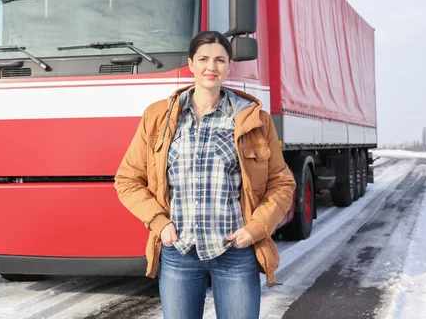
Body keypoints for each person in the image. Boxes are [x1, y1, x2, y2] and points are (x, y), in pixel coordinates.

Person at [114, 30, 296, 319]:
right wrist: (160, 223)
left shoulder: (254, 119)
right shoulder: (159, 116)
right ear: (191, 64)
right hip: (179, 254)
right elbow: (127, 180)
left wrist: (256, 229)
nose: (211, 67)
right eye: (204, 59)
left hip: (235, 252)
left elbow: (281, 182)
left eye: (219, 60)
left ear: (229, 66)